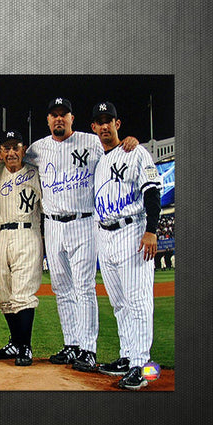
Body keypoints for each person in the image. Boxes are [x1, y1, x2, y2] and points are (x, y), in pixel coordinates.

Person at [25, 97, 138, 373]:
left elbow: (117, 148)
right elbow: (11, 156)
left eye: (64, 114)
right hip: (52, 225)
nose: (59, 119)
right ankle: (72, 344)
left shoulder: (92, 142)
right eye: (54, 115)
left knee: (84, 287)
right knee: (62, 288)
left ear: (72, 118)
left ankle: (88, 348)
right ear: (48, 120)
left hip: (84, 222)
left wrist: (129, 141)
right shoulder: (37, 149)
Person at [91, 101, 161, 390]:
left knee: (139, 302)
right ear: (94, 127)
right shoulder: (100, 161)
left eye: (110, 120)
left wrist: (152, 231)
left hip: (133, 232)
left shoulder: (135, 151)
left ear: (117, 125)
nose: (105, 125)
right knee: (119, 303)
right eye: (99, 121)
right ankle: (126, 355)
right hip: (105, 237)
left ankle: (141, 365)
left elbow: (153, 189)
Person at [0, 130, 43, 366]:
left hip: (27, 232)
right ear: (0, 152)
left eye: (16, 147)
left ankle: (25, 347)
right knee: (3, 293)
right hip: (0, 234)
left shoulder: (36, 173)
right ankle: (15, 342)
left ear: (24, 149)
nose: (11, 152)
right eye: (6, 148)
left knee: (23, 293)